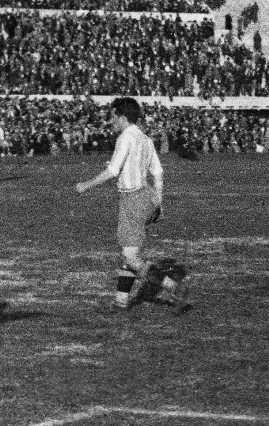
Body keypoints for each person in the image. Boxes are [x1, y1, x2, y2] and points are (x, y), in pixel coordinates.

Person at [74, 97, 192, 315]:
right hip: (147, 196)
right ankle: (120, 301)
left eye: (113, 117)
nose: (111, 121)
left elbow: (113, 170)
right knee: (129, 252)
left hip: (133, 198)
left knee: (131, 257)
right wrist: (158, 202)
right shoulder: (145, 138)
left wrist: (86, 185)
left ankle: (173, 287)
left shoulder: (125, 137)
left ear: (122, 117)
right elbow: (158, 171)